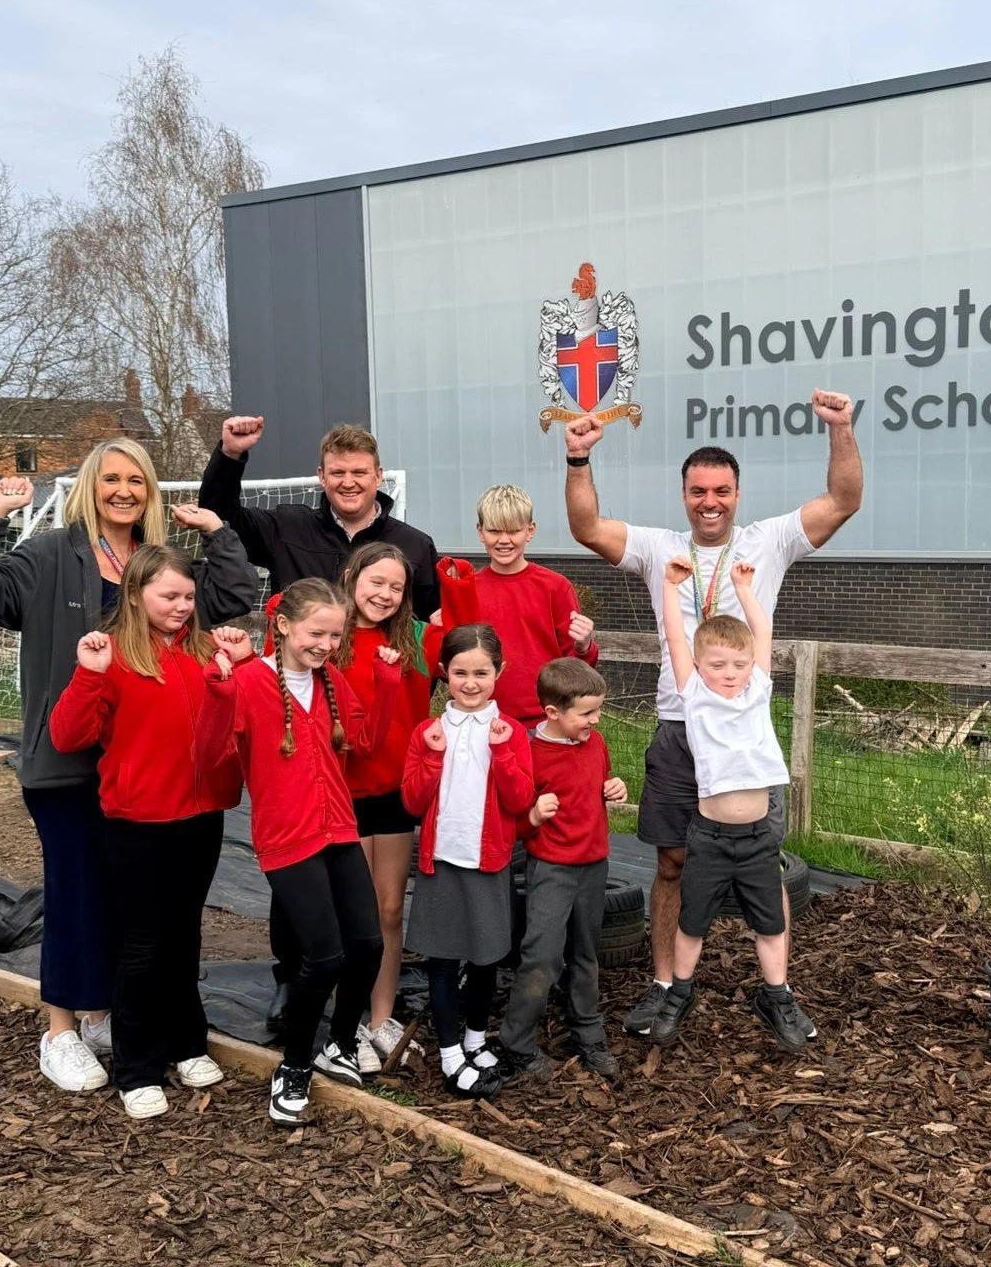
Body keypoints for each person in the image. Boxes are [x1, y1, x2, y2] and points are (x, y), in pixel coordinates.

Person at [0, 442, 258, 1095]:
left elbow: (228, 595)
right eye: (110, 478)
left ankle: (103, 1015)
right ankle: (60, 1030)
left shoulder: (154, 562)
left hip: (144, 769)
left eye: (136, 479)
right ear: (90, 486)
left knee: (136, 907)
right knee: (77, 893)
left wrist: (220, 533)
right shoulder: (53, 554)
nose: (124, 490)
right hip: (67, 763)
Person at [564, 389, 861, 1040]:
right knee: (670, 864)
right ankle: (667, 987)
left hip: (742, 738)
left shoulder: (769, 542)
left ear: (736, 493)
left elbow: (842, 501)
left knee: (765, 863)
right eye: (699, 491)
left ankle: (777, 995)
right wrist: (578, 458)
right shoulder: (655, 547)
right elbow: (587, 527)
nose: (710, 502)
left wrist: (839, 429)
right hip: (678, 734)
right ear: (684, 495)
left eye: (721, 491)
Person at [47, 545, 252, 1119]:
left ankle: (187, 1042)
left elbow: (241, 718)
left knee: (185, 933)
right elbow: (68, 737)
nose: (182, 606)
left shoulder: (209, 652)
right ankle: (136, 1066)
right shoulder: (110, 657)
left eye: (188, 596)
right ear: (137, 595)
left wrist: (246, 665)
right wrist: (88, 677)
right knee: (143, 943)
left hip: (201, 816)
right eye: (170, 596)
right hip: (138, 821)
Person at [196, 578, 401, 1127]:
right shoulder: (249, 682)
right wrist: (218, 691)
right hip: (286, 838)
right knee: (324, 956)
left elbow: (363, 746)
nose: (327, 644)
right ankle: (294, 1065)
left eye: (335, 635)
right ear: (283, 625)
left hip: (337, 829)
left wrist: (384, 683)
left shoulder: (330, 681)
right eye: (317, 632)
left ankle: (339, 1041)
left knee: (366, 945)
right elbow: (213, 752)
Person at [652, 559, 807, 1055]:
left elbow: (762, 632)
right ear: (699, 667)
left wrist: (744, 589)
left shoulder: (757, 691)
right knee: (692, 922)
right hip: (710, 839)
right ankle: (679, 992)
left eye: (737, 665)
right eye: (718, 664)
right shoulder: (693, 694)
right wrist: (671, 589)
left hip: (759, 838)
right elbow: (677, 639)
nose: (730, 673)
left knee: (771, 923)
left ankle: (776, 996)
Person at [401, 624, 534, 1100]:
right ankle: (451, 1051)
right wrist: (433, 758)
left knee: (485, 958)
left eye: (481, 672)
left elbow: (520, 799)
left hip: (488, 862)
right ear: (444, 674)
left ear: (499, 672)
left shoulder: (513, 733)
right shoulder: (428, 731)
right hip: (442, 861)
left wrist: (499, 750)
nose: (471, 682)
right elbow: (413, 802)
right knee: (442, 960)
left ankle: (476, 1038)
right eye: (460, 673)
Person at [334, 543, 446, 1073]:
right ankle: (348, 1020)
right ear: (352, 577)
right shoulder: (330, 638)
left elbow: (479, 645)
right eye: (375, 582)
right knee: (352, 916)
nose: (384, 594)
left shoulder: (415, 641)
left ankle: (381, 1017)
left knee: (390, 909)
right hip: (342, 793)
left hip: (395, 793)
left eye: (396, 587)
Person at [494, 659, 628, 1085]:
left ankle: (586, 1033)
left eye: (597, 710)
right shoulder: (530, 753)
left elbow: (600, 785)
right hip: (551, 868)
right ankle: (517, 1043)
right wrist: (533, 814)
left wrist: (615, 787)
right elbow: (512, 818)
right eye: (586, 713)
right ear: (552, 713)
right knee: (541, 956)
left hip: (594, 864)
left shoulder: (595, 742)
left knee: (586, 952)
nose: (596, 719)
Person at [199, 416, 439, 619]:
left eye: (359, 472)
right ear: (322, 477)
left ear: (377, 476)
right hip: (301, 673)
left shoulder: (415, 546)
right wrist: (230, 454)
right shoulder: (286, 528)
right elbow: (218, 519)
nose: (348, 482)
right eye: (337, 473)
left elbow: (429, 629)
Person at [466, 484, 597, 728]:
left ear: (530, 530)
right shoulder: (466, 590)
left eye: (513, 531)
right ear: (480, 531)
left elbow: (576, 665)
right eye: (494, 531)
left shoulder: (555, 588)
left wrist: (584, 645)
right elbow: (451, 662)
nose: (504, 540)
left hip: (543, 722)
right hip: (479, 719)